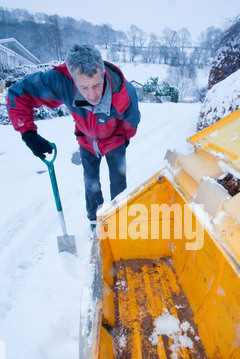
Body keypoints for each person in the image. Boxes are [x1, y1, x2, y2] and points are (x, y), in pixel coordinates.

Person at [7, 44, 141, 229]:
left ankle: (120, 219)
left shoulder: (123, 90)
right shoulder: (61, 82)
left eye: (96, 85)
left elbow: (131, 122)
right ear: (73, 78)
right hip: (86, 140)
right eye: (84, 87)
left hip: (114, 138)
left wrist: (123, 140)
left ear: (102, 73)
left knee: (118, 181)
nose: (92, 95)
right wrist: (28, 133)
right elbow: (19, 95)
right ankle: (95, 221)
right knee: (91, 182)